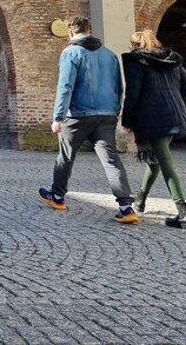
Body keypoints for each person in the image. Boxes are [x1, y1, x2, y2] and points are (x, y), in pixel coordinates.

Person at [38, 16, 138, 224]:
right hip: (106, 115)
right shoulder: (109, 55)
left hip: (77, 116)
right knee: (111, 159)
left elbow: (65, 86)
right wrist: (114, 111)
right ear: (90, 31)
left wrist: (58, 116)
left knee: (65, 156)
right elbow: (119, 87)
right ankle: (126, 206)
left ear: (71, 33)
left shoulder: (70, 53)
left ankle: (57, 196)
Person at [122, 29, 186, 229]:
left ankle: (183, 215)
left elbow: (133, 94)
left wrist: (126, 119)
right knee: (156, 160)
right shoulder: (173, 60)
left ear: (135, 46)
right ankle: (140, 200)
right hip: (176, 115)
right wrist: (171, 95)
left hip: (152, 119)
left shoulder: (137, 62)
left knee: (165, 164)